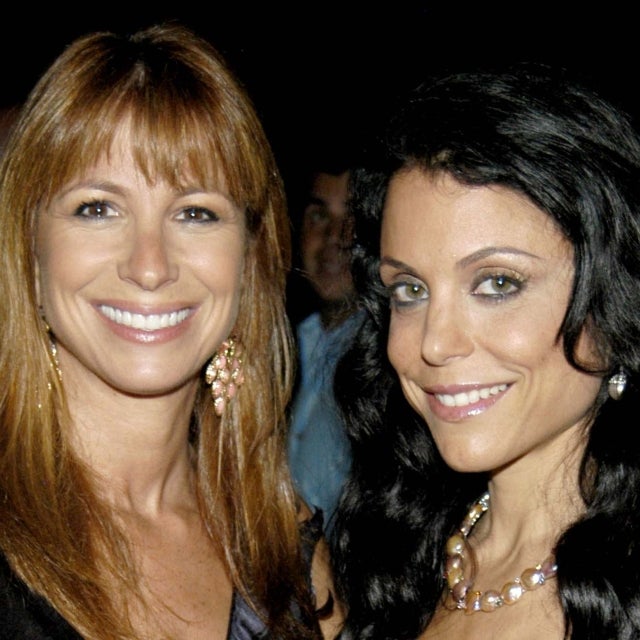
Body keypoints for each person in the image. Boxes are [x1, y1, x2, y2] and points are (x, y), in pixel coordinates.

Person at [0, 23, 343, 640]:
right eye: (97, 208)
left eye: (195, 213)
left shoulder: (289, 561)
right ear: (29, 249)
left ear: (250, 258)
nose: (150, 266)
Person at [331, 62, 640, 639]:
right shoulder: (393, 560)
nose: (434, 343)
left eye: (498, 283)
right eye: (410, 290)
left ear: (612, 298)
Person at [286, 154, 363, 535]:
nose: (335, 237)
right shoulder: (291, 345)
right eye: (319, 216)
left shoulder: (388, 364)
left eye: (352, 220)